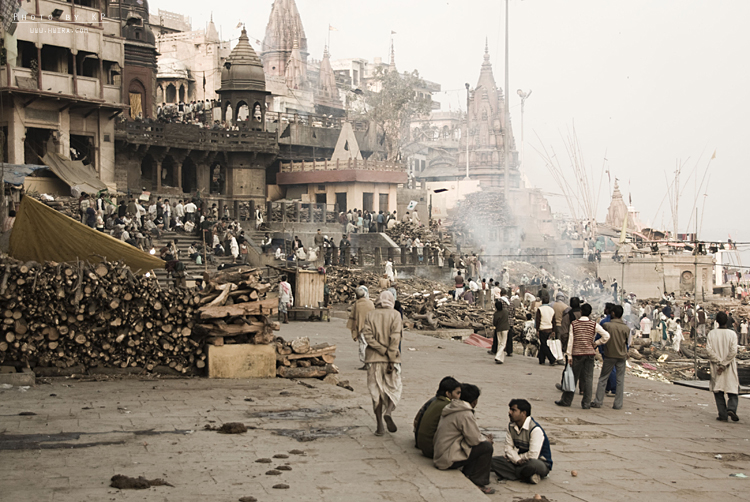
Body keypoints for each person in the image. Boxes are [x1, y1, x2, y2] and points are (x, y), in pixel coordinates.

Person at [433, 384, 496, 495]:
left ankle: (469, 472)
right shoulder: (465, 413)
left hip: (440, 455)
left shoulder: (452, 407)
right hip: (447, 459)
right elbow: (475, 440)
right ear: (475, 401)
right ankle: (477, 481)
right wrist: (487, 440)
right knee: (486, 447)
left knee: (479, 443)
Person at [361, 290, 403, 436]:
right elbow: (395, 337)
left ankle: (379, 426)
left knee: (376, 392)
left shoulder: (370, 315)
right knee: (394, 388)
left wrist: (381, 349)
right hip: (391, 359)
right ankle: (389, 411)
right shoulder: (395, 315)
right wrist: (390, 355)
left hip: (373, 359)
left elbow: (368, 337)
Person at [556, 303, 610, 408]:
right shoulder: (594, 324)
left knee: (573, 378)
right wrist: (597, 343)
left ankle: (566, 401)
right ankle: (586, 403)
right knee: (588, 379)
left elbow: (571, 340)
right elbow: (606, 336)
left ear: (581, 311)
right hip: (589, 354)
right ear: (589, 313)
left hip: (577, 354)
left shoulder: (574, 324)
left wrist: (569, 355)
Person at [491, 399, 552, 485]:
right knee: (493, 461)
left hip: (538, 462)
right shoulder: (511, 426)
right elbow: (508, 448)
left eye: (513, 410)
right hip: (520, 461)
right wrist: (517, 460)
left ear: (523, 413)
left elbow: (533, 455)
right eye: (510, 409)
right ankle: (527, 476)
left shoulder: (535, 429)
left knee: (531, 465)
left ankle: (515, 474)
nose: (510, 412)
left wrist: (516, 459)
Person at [415, 377, 462, 458]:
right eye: (457, 393)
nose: (459, 396)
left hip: (421, 445)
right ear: (448, 394)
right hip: (432, 449)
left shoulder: (434, 401)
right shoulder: (448, 406)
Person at [592, 305, 629, 410]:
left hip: (609, 355)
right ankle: (618, 404)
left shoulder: (607, 325)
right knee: (620, 380)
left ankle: (598, 401)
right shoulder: (626, 328)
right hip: (621, 356)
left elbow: (600, 338)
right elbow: (627, 343)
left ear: (613, 313)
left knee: (603, 378)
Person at [707, 312, 740, 422]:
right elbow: (733, 351)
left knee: (718, 392)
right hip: (728, 366)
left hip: (717, 367)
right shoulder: (732, 334)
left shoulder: (711, 334)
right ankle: (731, 409)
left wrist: (719, 362)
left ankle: (723, 414)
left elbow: (709, 351)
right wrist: (724, 363)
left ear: (716, 321)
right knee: (733, 390)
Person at [347, 286, 374, 370]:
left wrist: (354, 330)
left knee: (363, 345)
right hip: (372, 327)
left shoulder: (357, 304)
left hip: (362, 327)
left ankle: (366, 363)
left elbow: (354, 318)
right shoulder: (370, 303)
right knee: (370, 344)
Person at [535, 291, 557, 365]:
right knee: (543, 344)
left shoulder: (540, 309)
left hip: (542, 329)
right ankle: (541, 359)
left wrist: (537, 330)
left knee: (544, 345)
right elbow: (554, 321)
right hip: (549, 329)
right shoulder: (551, 310)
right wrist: (554, 331)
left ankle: (552, 359)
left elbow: (537, 320)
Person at [493, 300, 510, 364]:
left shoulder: (496, 314)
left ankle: (500, 358)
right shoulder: (505, 312)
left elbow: (494, 323)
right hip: (505, 329)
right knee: (503, 344)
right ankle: (499, 357)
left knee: (499, 343)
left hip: (498, 329)